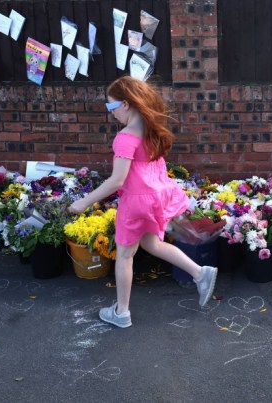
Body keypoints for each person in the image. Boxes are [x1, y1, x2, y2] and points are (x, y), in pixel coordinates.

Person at [68, 76, 217, 328]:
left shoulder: (125, 137)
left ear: (126, 104)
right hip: (156, 197)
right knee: (152, 244)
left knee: (125, 256)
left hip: (136, 203)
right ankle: (200, 273)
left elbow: (117, 180)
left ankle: (121, 313)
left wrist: (84, 202)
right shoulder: (151, 129)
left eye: (111, 107)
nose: (111, 113)